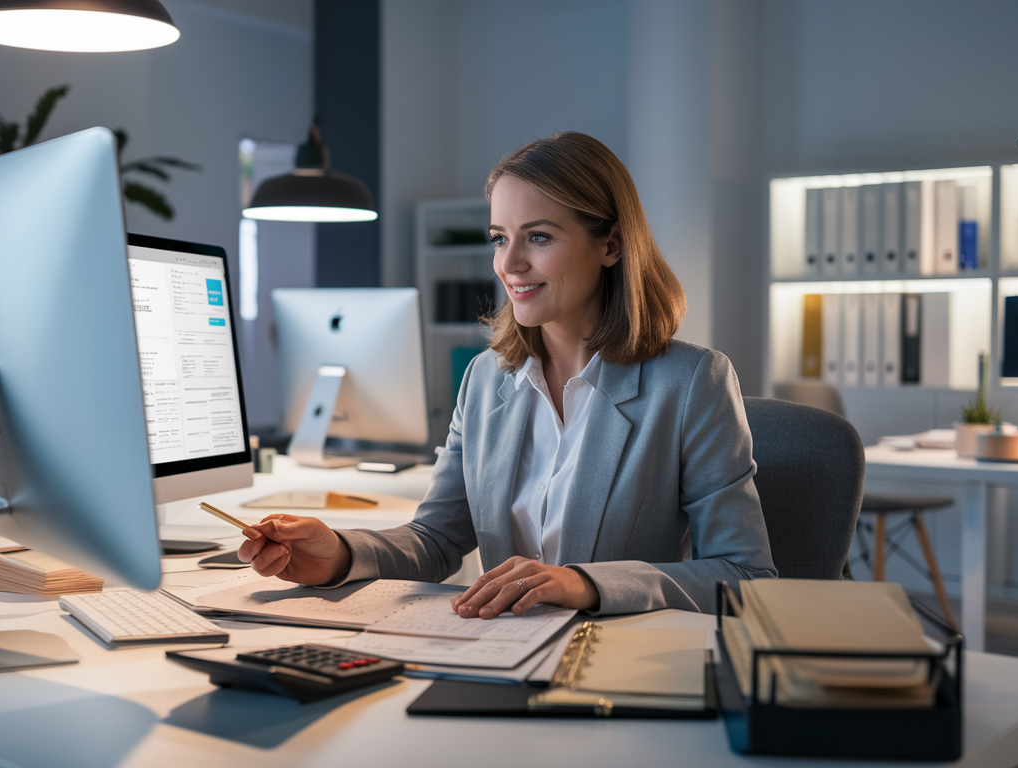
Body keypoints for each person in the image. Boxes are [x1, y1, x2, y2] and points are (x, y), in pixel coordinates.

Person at [239, 132, 776, 617]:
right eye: (500, 237)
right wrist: (338, 553)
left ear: (610, 245)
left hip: (617, 668)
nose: (509, 264)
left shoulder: (691, 383)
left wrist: (584, 584)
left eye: (538, 237)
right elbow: (436, 539)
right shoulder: (484, 380)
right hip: (500, 651)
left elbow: (745, 576)